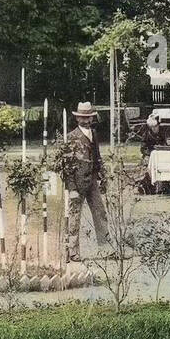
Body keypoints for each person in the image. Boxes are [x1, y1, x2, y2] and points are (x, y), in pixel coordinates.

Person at [62, 102, 109, 257]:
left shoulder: (93, 134)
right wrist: (72, 188)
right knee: (75, 215)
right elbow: (67, 166)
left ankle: (106, 248)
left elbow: (97, 156)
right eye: (83, 118)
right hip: (78, 181)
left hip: (93, 180)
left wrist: (102, 175)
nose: (87, 121)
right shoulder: (71, 137)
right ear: (77, 119)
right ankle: (73, 251)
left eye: (89, 117)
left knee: (100, 212)